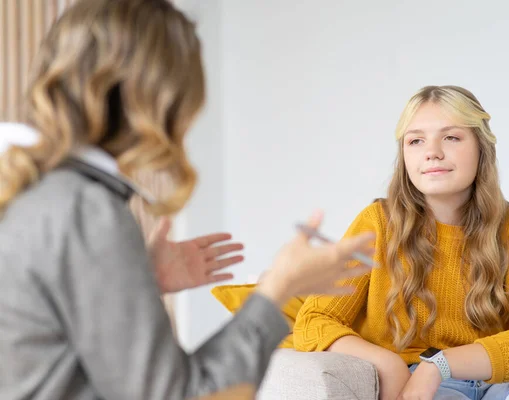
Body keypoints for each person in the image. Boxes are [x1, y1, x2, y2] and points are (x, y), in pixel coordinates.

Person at [0, 1, 375, 399]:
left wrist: (134, 278)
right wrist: (278, 289)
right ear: (162, 96)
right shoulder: (85, 210)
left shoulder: (32, 189)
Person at [293, 85, 509, 400]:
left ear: (481, 147)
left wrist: (438, 365)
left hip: (504, 387)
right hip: (423, 390)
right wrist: (386, 363)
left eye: (451, 137)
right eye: (416, 141)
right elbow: (315, 320)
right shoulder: (377, 223)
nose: (432, 152)